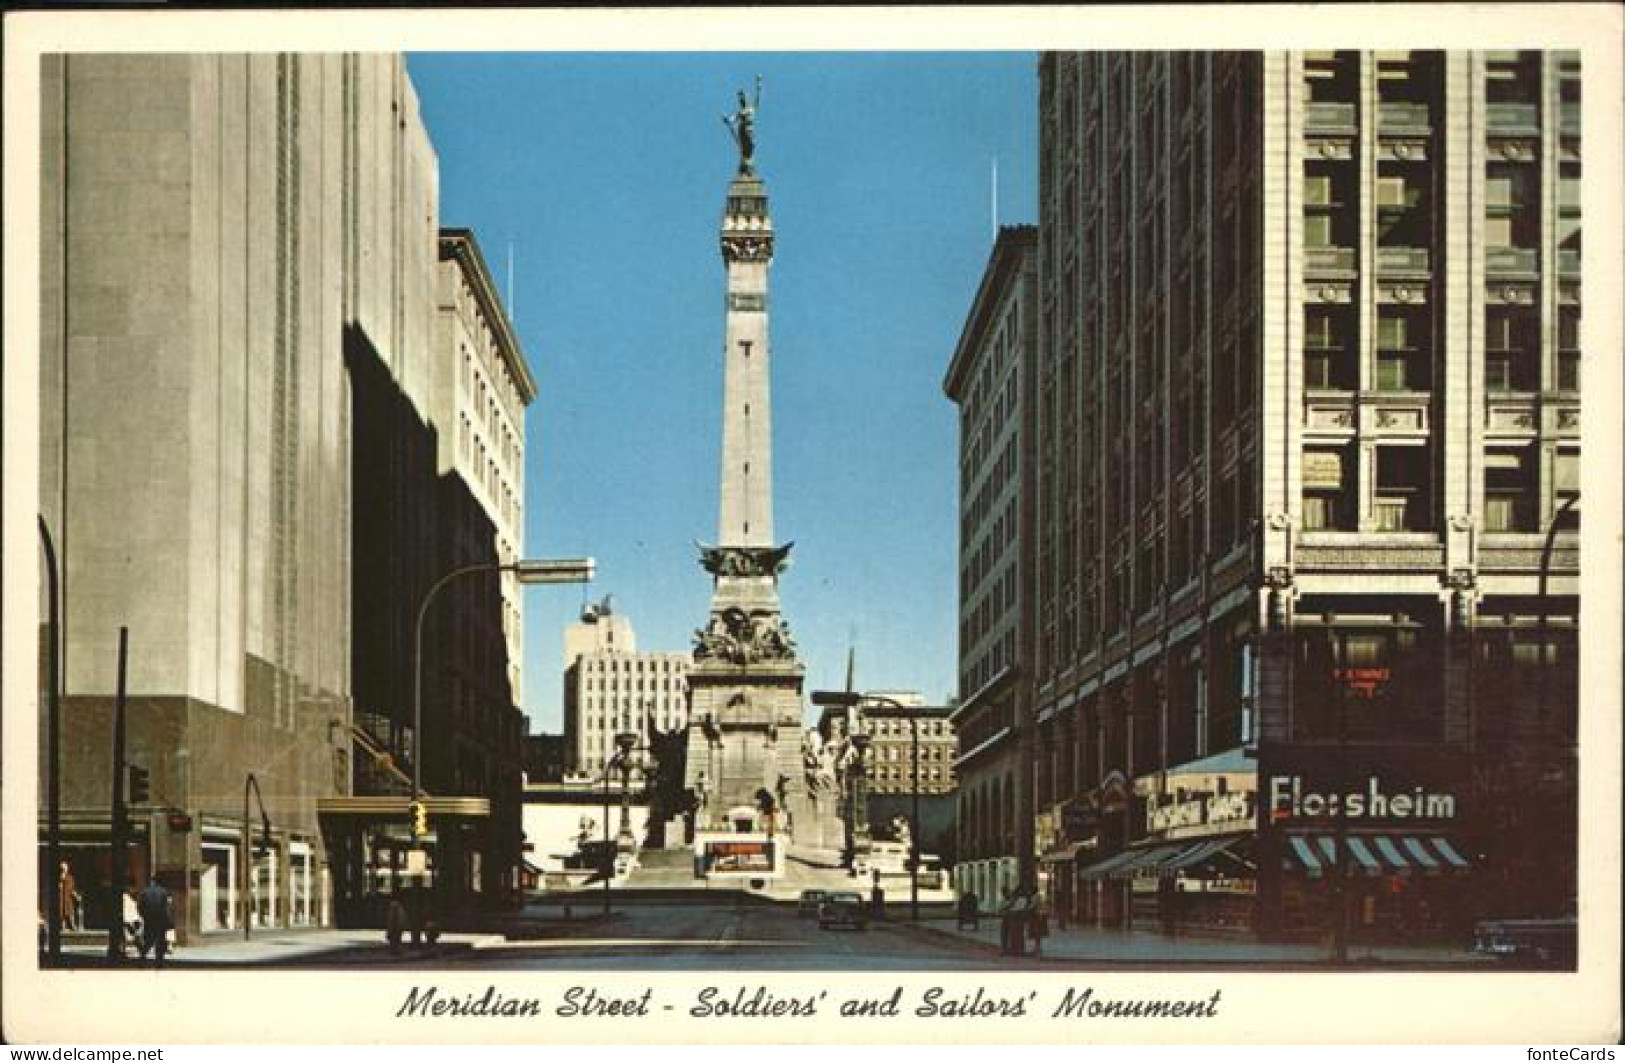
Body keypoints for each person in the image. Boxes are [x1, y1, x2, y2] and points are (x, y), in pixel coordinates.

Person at [135, 876, 174, 966]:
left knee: (149, 939)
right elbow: (168, 907)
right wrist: (169, 919)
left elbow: (139, 906)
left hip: (149, 918)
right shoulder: (165, 892)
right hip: (161, 918)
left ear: (153, 882)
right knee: (160, 940)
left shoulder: (144, 892)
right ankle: (159, 960)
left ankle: (143, 955)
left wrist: (144, 915)